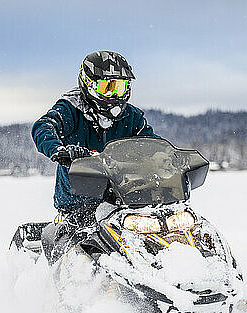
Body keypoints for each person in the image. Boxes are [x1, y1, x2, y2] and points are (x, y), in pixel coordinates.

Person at [31, 50, 158, 259]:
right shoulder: (71, 109)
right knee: (82, 257)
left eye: (121, 86)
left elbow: (150, 142)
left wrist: (163, 158)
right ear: (89, 84)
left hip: (126, 199)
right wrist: (58, 150)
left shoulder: (131, 116)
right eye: (108, 87)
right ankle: (77, 287)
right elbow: (44, 126)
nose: (115, 95)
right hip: (79, 203)